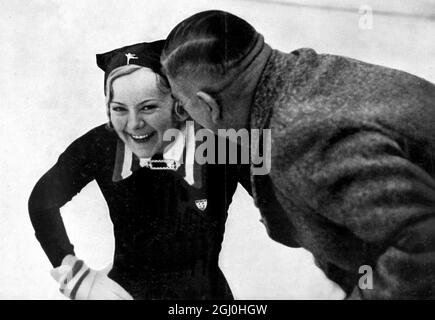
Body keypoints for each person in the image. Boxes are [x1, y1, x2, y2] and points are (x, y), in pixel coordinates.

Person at [160, 10, 435, 299]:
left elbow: (421, 241)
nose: (183, 116)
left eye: (181, 105)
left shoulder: (297, 137)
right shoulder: (305, 71)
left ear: (209, 106)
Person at [28, 40, 242, 300]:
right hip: (125, 293)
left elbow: (281, 193)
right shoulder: (101, 144)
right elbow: (41, 202)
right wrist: (77, 280)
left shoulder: (221, 141)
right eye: (119, 109)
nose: (133, 124)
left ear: (179, 105)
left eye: (148, 107)